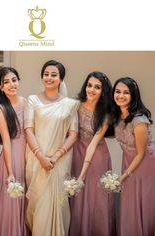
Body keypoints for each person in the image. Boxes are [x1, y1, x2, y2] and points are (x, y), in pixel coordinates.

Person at [24, 60, 78, 236]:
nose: (49, 77)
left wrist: (56, 156)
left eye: (54, 75)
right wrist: (41, 157)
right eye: (46, 74)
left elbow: (73, 134)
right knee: (38, 205)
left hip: (59, 162)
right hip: (37, 161)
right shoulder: (32, 100)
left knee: (58, 205)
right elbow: (28, 130)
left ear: (61, 78)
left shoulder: (70, 104)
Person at [70, 71, 115, 236]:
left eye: (97, 87)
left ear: (103, 91)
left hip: (97, 156)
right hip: (77, 152)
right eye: (89, 85)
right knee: (77, 197)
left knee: (97, 198)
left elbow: (94, 142)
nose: (92, 90)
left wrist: (82, 175)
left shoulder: (106, 114)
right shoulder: (75, 104)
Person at [112, 77, 155, 236]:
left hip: (145, 163)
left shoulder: (139, 119)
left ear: (133, 95)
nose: (120, 95)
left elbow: (141, 152)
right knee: (130, 201)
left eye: (126, 92)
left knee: (144, 201)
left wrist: (124, 176)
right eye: (117, 91)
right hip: (129, 160)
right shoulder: (117, 115)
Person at [0, 67, 28, 236]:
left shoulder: (27, 102)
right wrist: (10, 171)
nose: (11, 84)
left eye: (14, 80)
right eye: (6, 82)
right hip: (11, 157)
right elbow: (6, 141)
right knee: (12, 202)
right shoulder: (0, 108)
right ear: (0, 87)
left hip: (28, 155)